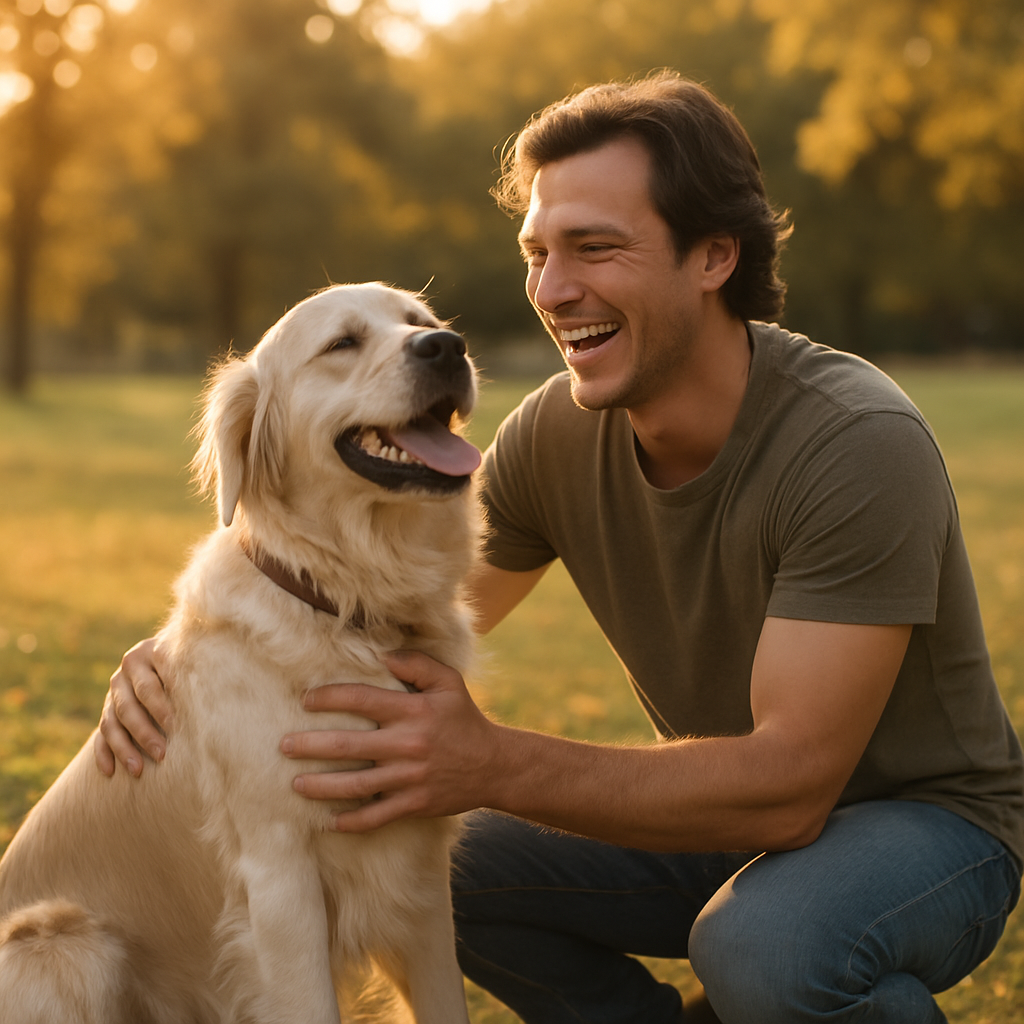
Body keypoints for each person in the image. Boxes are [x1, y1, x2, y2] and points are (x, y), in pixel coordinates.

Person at [96, 72, 1023, 1024]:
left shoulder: (854, 442)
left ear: (712, 255)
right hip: (721, 818)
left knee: (768, 948)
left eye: (595, 249)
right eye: (538, 252)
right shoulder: (556, 435)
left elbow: (790, 789)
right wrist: (185, 660)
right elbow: (377, 611)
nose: (552, 289)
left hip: (924, 829)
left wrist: (490, 761)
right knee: (447, 866)